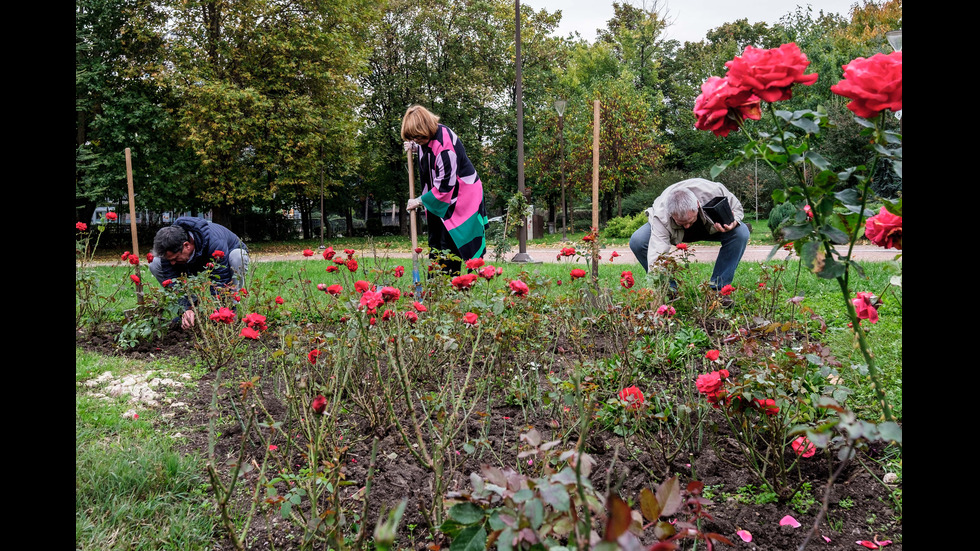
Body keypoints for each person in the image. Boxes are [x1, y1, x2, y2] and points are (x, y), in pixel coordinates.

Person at [401, 104, 489, 275]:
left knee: (449, 243)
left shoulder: (445, 146)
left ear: (425, 129)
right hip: (438, 197)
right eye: (413, 138)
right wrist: (416, 147)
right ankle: (435, 287)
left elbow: (445, 186)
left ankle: (450, 286)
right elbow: (428, 152)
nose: (416, 141)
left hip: (461, 197)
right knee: (435, 241)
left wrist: (419, 201)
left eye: (418, 138)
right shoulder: (427, 139)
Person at [629, 178, 749, 292]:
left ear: (697, 205)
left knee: (741, 232)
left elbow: (737, 208)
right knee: (638, 240)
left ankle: (718, 289)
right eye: (681, 223)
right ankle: (668, 290)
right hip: (673, 232)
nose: (687, 226)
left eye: (690, 221)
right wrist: (655, 285)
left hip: (711, 227)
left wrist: (734, 222)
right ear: (671, 214)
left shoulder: (713, 191)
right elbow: (657, 254)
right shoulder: (662, 215)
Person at [149, 217, 250, 328]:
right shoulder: (169, 244)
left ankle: (231, 307)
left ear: (187, 245)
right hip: (195, 261)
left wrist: (223, 312)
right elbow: (172, 277)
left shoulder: (215, 242)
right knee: (155, 263)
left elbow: (221, 277)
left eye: (175, 258)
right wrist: (186, 307)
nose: (172, 263)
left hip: (226, 258)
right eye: (170, 259)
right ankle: (194, 309)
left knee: (237, 256)